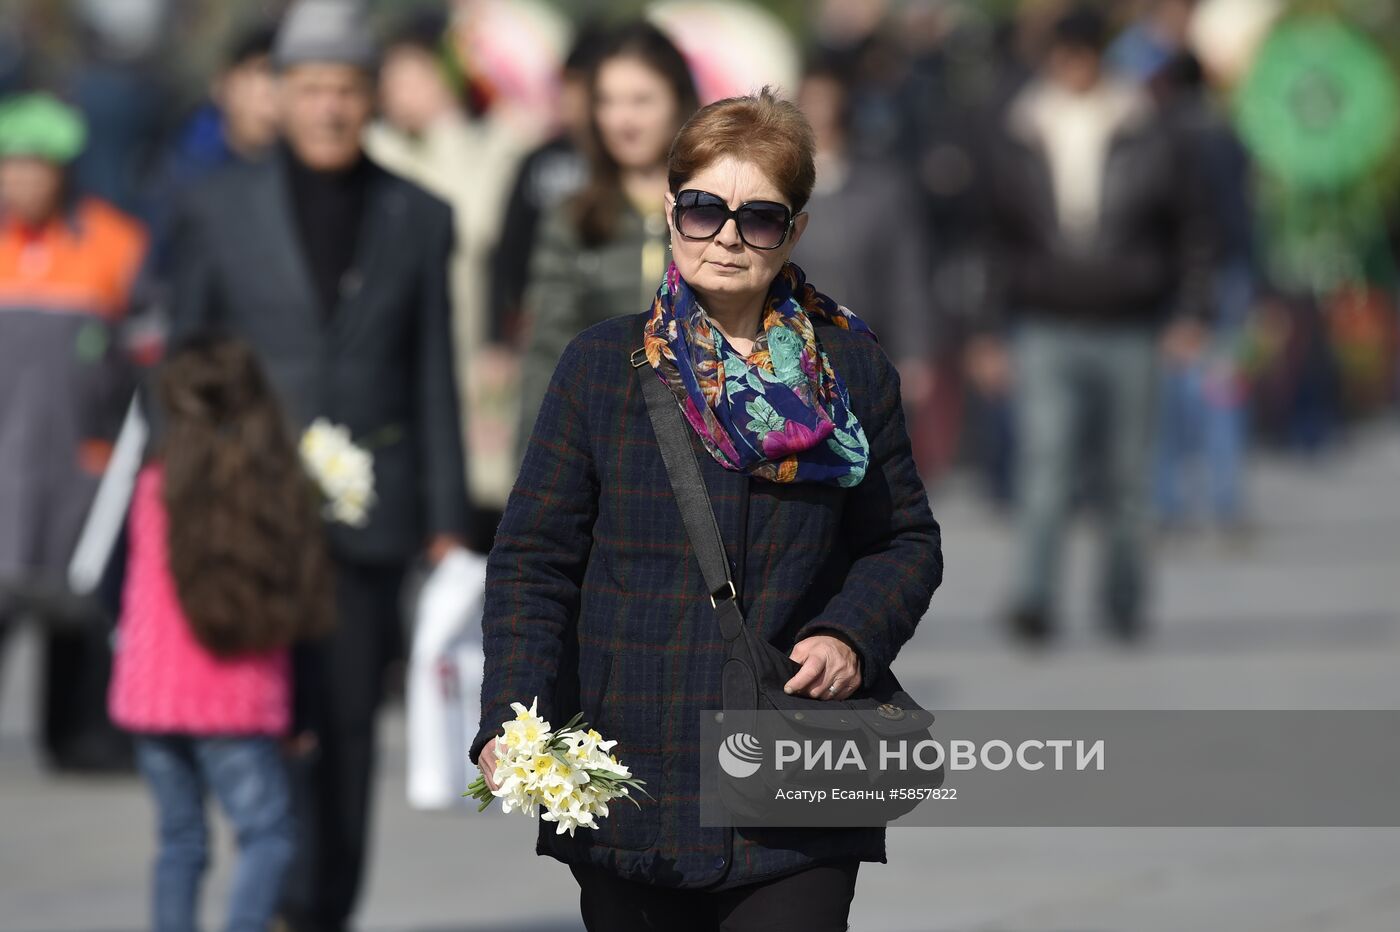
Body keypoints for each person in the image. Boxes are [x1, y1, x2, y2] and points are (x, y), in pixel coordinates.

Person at [473, 90, 942, 931]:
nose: (727, 235)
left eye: (759, 218)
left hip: (793, 777)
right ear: (670, 211)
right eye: (704, 209)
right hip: (629, 769)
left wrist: (850, 635)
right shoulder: (599, 368)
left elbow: (904, 541)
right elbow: (533, 560)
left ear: (794, 231)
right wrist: (514, 713)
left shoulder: (850, 373)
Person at [168, 2, 470, 927]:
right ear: (278, 96)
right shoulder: (218, 209)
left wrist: (446, 517)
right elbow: (185, 366)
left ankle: (324, 905)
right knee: (263, 728)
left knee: (342, 732)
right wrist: (193, 490)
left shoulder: (416, 215)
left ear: (371, 97)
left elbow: (432, 371)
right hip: (246, 520)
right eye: (312, 90)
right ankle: (280, 892)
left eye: (347, 90)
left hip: (368, 525)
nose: (331, 109)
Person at [968, 5, 1211, 643]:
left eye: (1083, 55)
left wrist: (1191, 311)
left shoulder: (1143, 124)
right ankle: (1034, 596)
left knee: (1128, 474)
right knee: (1045, 464)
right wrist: (988, 331)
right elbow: (996, 238)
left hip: (1130, 321)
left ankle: (1124, 595)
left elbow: (1189, 228)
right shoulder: (1021, 125)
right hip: (1046, 319)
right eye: (1063, 55)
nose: (1073, 67)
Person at [108, 337, 333, 932]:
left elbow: (113, 588)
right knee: (268, 836)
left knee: (179, 840)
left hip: (151, 694)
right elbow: (302, 606)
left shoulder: (152, 483)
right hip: (236, 697)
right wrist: (302, 710)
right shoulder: (272, 487)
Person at [0, 92, 147, 770]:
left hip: (80, 469)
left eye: (39, 165)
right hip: (7, 464)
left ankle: (78, 737)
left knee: (77, 608)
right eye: (12, 164)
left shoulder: (115, 245)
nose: (24, 179)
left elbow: (143, 354)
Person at [365, 11, 527, 548]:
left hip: (473, 351)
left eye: (416, 76)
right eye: (393, 78)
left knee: (482, 499)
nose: (401, 92)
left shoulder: (489, 149)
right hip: (393, 350)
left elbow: (477, 220)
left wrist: (447, 129)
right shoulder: (373, 151)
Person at [514, 22, 698, 457]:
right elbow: (546, 355)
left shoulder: (717, 213)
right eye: (607, 101)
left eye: (641, 100)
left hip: (709, 455)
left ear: (678, 102)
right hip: (605, 453)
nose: (622, 119)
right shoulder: (573, 218)